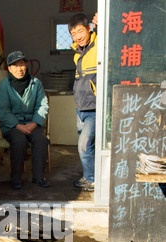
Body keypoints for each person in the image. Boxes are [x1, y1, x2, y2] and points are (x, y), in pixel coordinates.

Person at [0, 51, 50, 189]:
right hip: (12, 126)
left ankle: (39, 177)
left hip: (32, 123)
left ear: (26, 65)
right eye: (15, 66)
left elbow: (42, 105)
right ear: (9, 68)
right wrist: (18, 126)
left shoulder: (36, 83)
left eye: (21, 64)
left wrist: (34, 124)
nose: (19, 69)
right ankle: (16, 178)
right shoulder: (4, 86)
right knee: (19, 140)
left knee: (41, 140)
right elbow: (2, 110)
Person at [69, 13, 98, 192]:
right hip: (81, 108)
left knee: (84, 146)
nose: (77, 36)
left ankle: (92, 179)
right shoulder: (78, 54)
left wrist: (101, 23)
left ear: (89, 29)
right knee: (88, 146)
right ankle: (91, 176)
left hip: (94, 109)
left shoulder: (98, 46)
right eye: (73, 33)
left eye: (80, 31)